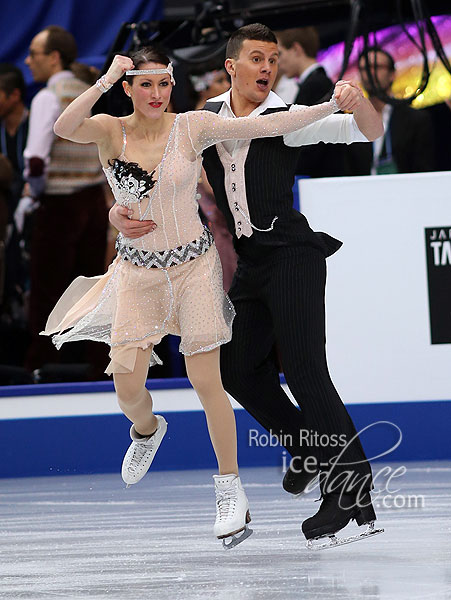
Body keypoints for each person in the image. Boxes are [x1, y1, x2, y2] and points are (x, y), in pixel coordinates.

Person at [42, 46, 347, 546]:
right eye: (145, 84)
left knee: (207, 380)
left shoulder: (191, 126)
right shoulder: (109, 129)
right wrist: (106, 77)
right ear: (128, 87)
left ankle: (231, 492)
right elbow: (63, 127)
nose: (157, 94)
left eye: (164, 84)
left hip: (194, 269)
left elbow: (264, 127)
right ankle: (147, 431)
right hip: (138, 274)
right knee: (126, 384)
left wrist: (332, 106)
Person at [110, 24, 384, 549]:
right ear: (230, 67)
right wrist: (115, 210)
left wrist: (357, 98)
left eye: (274, 60)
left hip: (294, 257)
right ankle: (306, 447)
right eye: (256, 58)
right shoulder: (200, 119)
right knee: (236, 365)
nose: (267, 67)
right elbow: (151, 163)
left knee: (305, 372)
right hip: (252, 263)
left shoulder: (288, 120)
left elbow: (366, 131)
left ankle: (349, 486)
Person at [23, 25, 108, 376]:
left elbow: (36, 158)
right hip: (93, 202)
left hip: (59, 204)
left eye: (35, 53)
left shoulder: (48, 96)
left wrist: (34, 192)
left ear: (54, 56)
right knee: (90, 288)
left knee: (47, 288)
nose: (28, 61)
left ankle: (39, 366)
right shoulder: (87, 91)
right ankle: (97, 367)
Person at [345, 46, 435, 175]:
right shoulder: (351, 121)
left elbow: (424, 170)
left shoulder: (416, 120)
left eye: (376, 67)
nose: (370, 73)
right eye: (365, 69)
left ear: (392, 74)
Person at [277, 26, 349, 178]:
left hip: (319, 181)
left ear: (296, 49)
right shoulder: (318, 83)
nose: (278, 62)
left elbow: (310, 144)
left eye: (280, 53)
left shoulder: (316, 85)